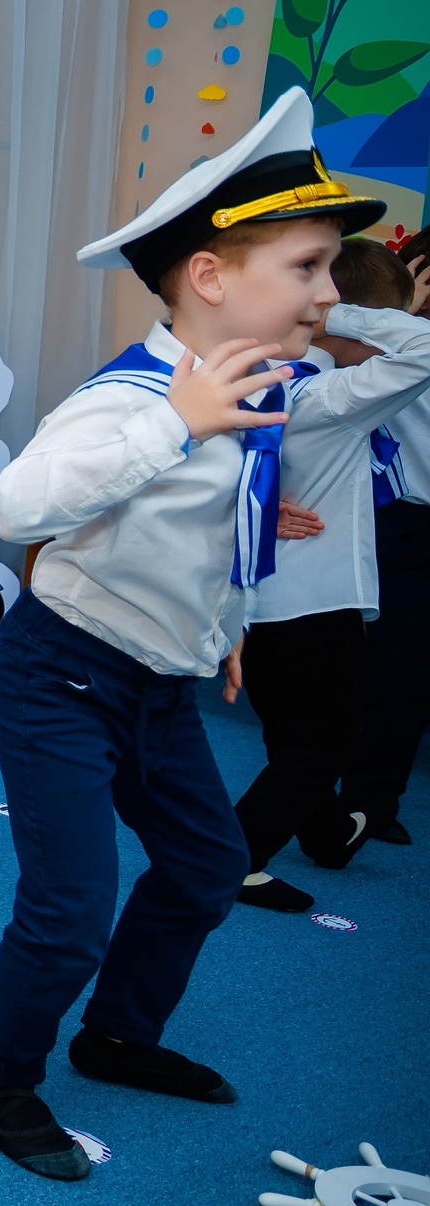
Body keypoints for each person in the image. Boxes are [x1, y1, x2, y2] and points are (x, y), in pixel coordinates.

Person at [0, 89, 384, 1181]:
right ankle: (1, 1078)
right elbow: (18, 510)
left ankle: (116, 1035)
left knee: (204, 868)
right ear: (210, 276)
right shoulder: (135, 397)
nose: (325, 293)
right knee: (68, 905)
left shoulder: (258, 393)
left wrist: (225, 624)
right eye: (304, 268)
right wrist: (171, 426)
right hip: (62, 673)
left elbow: (219, 524)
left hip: (160, 679)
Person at [234, 237, 430, 913]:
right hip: (320, 603)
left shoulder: (267, 378)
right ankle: (238, 853)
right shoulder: (330, 397)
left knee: (292, 733)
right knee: (328, 743)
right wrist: (337, 314)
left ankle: (325, 831)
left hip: (267, 603)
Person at [339, 229, 430, 848]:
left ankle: (377, 799)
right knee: (382, 668)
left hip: (411, 524)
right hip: (389, 517)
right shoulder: (379, 348)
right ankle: (357, 800)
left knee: (408, 674)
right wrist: (399, 316)